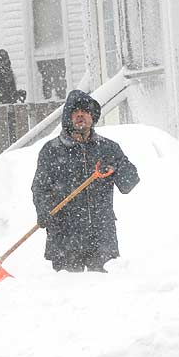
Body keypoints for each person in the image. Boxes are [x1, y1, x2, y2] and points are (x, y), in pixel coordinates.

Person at [31, 89, 140, 272]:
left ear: (93, 116)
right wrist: (44, 212)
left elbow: (130, 182)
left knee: (105, 293)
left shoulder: (108, 149)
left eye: (85, 111)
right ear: (68, 117)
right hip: (65, 239)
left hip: (101, 238)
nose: (80, 115)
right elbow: (39, 188)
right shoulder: (51, 151)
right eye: (75, 111)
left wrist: (116, 167)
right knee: (70, 295)